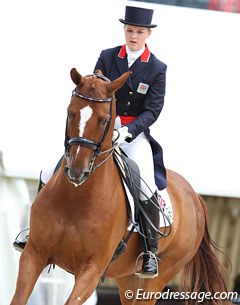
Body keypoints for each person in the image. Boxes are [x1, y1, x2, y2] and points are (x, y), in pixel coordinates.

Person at [94, 5, 167, 277]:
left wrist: (129, 130)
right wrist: (107, 122)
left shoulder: (157, 68)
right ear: (124, 30)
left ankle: (150, 252)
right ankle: (36, 231)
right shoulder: (108, 56)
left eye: (138, 31)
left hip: (132, 135)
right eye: (129, 30)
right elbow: (95, 89)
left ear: (148, 34)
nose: (133, 36)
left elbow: (153, 110)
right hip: (103, 128)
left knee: (146, 185)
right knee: (57, 163)